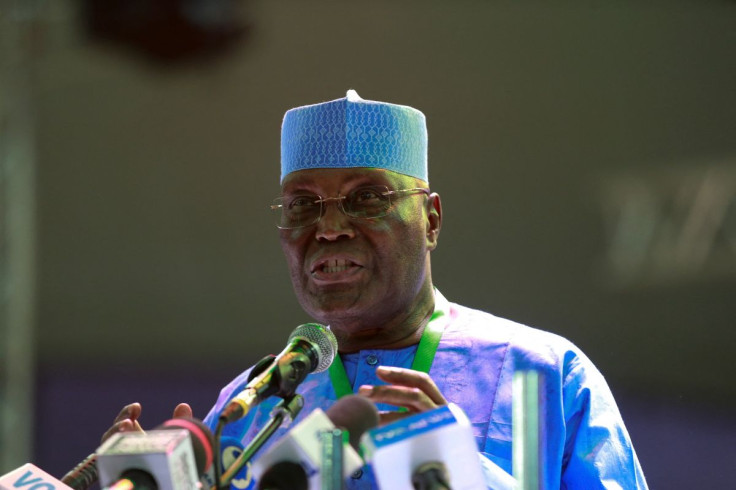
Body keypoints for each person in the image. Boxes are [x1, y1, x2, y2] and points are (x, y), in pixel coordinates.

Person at [105, 90, 648, 489]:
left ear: (431, 220)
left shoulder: (541, 375)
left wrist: (460, 472)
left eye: (367, 199)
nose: (331, 228)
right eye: (302, 205)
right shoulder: (245, 409)